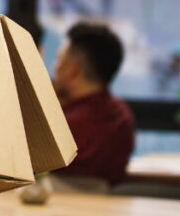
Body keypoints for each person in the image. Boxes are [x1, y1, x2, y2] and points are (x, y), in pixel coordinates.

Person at [53, 21, 135, 185]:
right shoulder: (123, 118)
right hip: (108, 208)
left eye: (59, 60)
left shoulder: (61, 125)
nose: (54, 69)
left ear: (72, 69)